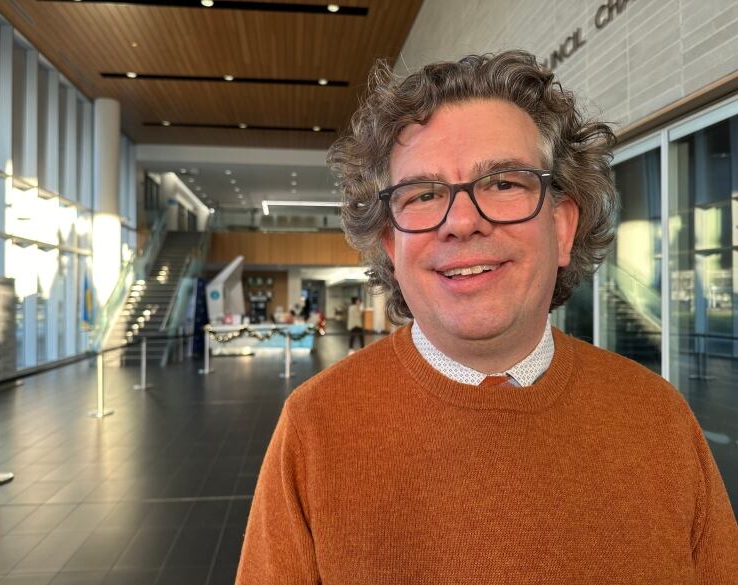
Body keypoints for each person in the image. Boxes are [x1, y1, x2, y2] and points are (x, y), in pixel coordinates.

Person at [236, 51, 738, 583]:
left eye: (503, 183)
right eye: (423, 194)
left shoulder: (658, 418)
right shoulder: (315, 427)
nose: (462, 222)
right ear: (390, 243)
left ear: (563, 227)